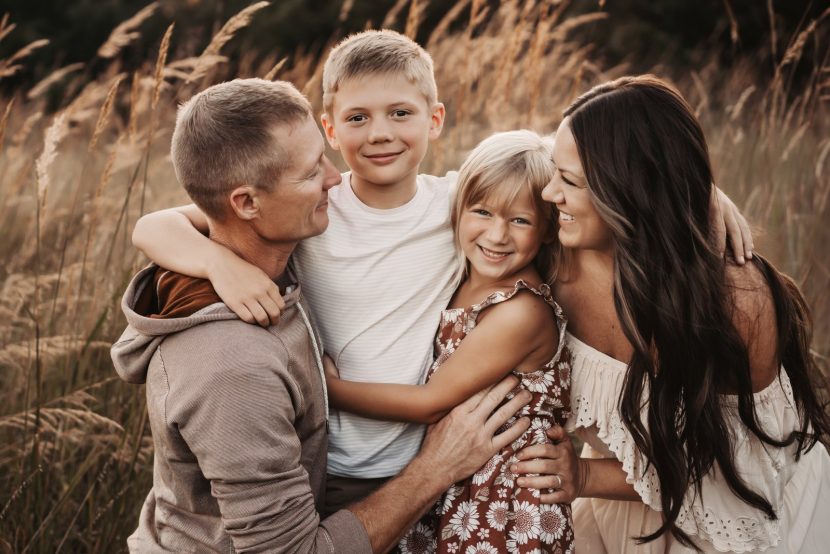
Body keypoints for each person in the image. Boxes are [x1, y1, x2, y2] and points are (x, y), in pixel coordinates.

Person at [131, 29, 753, 518]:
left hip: (425, 459)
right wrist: (217, 262)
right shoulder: (315, 208)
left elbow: (595, 164)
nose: (380, 134)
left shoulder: (460, 205)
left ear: (435, 120)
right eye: (357, 119)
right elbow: (155, 225)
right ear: (330, 129)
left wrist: (703, 196)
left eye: (401, 113)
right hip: (323, 462)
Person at [111, 77, 536, 554]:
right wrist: (437, 467)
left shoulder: (275, 256)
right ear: (248, 203)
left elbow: (161, 223)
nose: (337, 180)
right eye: (313, 171)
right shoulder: (231, 366)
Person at [513, 75, 830, 553]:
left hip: (750, 523)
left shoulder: (738, 302)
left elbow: (739, 476)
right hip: (624, 522)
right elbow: (469, 197)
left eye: (570, 182)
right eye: (554, 171)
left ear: (633, 194)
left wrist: (582, 473)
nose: (548, 194)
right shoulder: (549, 257)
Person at [324, 130, 574, 553]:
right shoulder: (464, 277)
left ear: (547, 229)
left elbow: (431, 403)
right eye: (482, 212)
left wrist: (329, 389)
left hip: (504, 501)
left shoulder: (520, 311)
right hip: (461, 487)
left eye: (520, 220)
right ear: (457, 210)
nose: (497, 236)